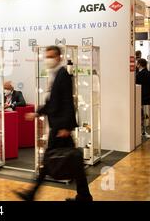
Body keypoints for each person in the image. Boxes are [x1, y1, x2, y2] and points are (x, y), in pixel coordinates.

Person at [14, 45, 92, 201]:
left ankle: (31, 193)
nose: (48, 60)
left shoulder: (63, 75)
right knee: (71, 161)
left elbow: (68, 102)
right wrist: (37, 113)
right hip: (58, 126)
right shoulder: (55, 75)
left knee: (50, 160)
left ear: (59, 58)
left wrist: (66, 127)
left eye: (51, 56)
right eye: (46, 56)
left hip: (60, 127)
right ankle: (84, 196)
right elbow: (51, 102)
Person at [136, 58, 150, 138]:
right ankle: (142, 130)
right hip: (145, 96)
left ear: (139, 64)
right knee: (142, 113)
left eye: (137, 63)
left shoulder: (142, 74)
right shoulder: (146, 72)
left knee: (142, 114)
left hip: (143, 96)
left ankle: (143, 131)